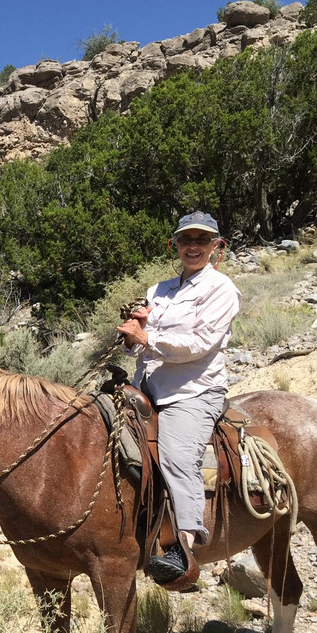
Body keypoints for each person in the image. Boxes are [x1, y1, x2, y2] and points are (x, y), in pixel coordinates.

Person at [115, 211, 242, 586]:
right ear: (176, 244)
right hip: (147, 387)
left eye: (202, 240)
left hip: (193, 390)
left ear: (215, 247)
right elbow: (136, 347)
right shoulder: (160, 290)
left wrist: (148, 339)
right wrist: (131, 333)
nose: (193, 246)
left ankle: (183, 545)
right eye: (187, 239)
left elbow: (201, 345)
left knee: (175, 453)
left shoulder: (221, 289)